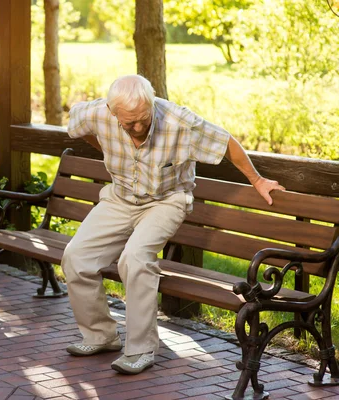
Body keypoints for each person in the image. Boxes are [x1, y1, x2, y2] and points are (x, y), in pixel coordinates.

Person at [62, 74, 285, 375]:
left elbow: (226, 142)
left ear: (152, 104)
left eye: (144, 118)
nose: (139, 128)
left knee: (136, 258)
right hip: (120, 198)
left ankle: (140, 350)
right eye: (129, 123)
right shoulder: (98, 113)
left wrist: (257, 180)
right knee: (76, 257)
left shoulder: (179, 121)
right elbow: (76, 123)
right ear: (112, 112)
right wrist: (106, 144)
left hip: (166, 201)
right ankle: (100, 335)